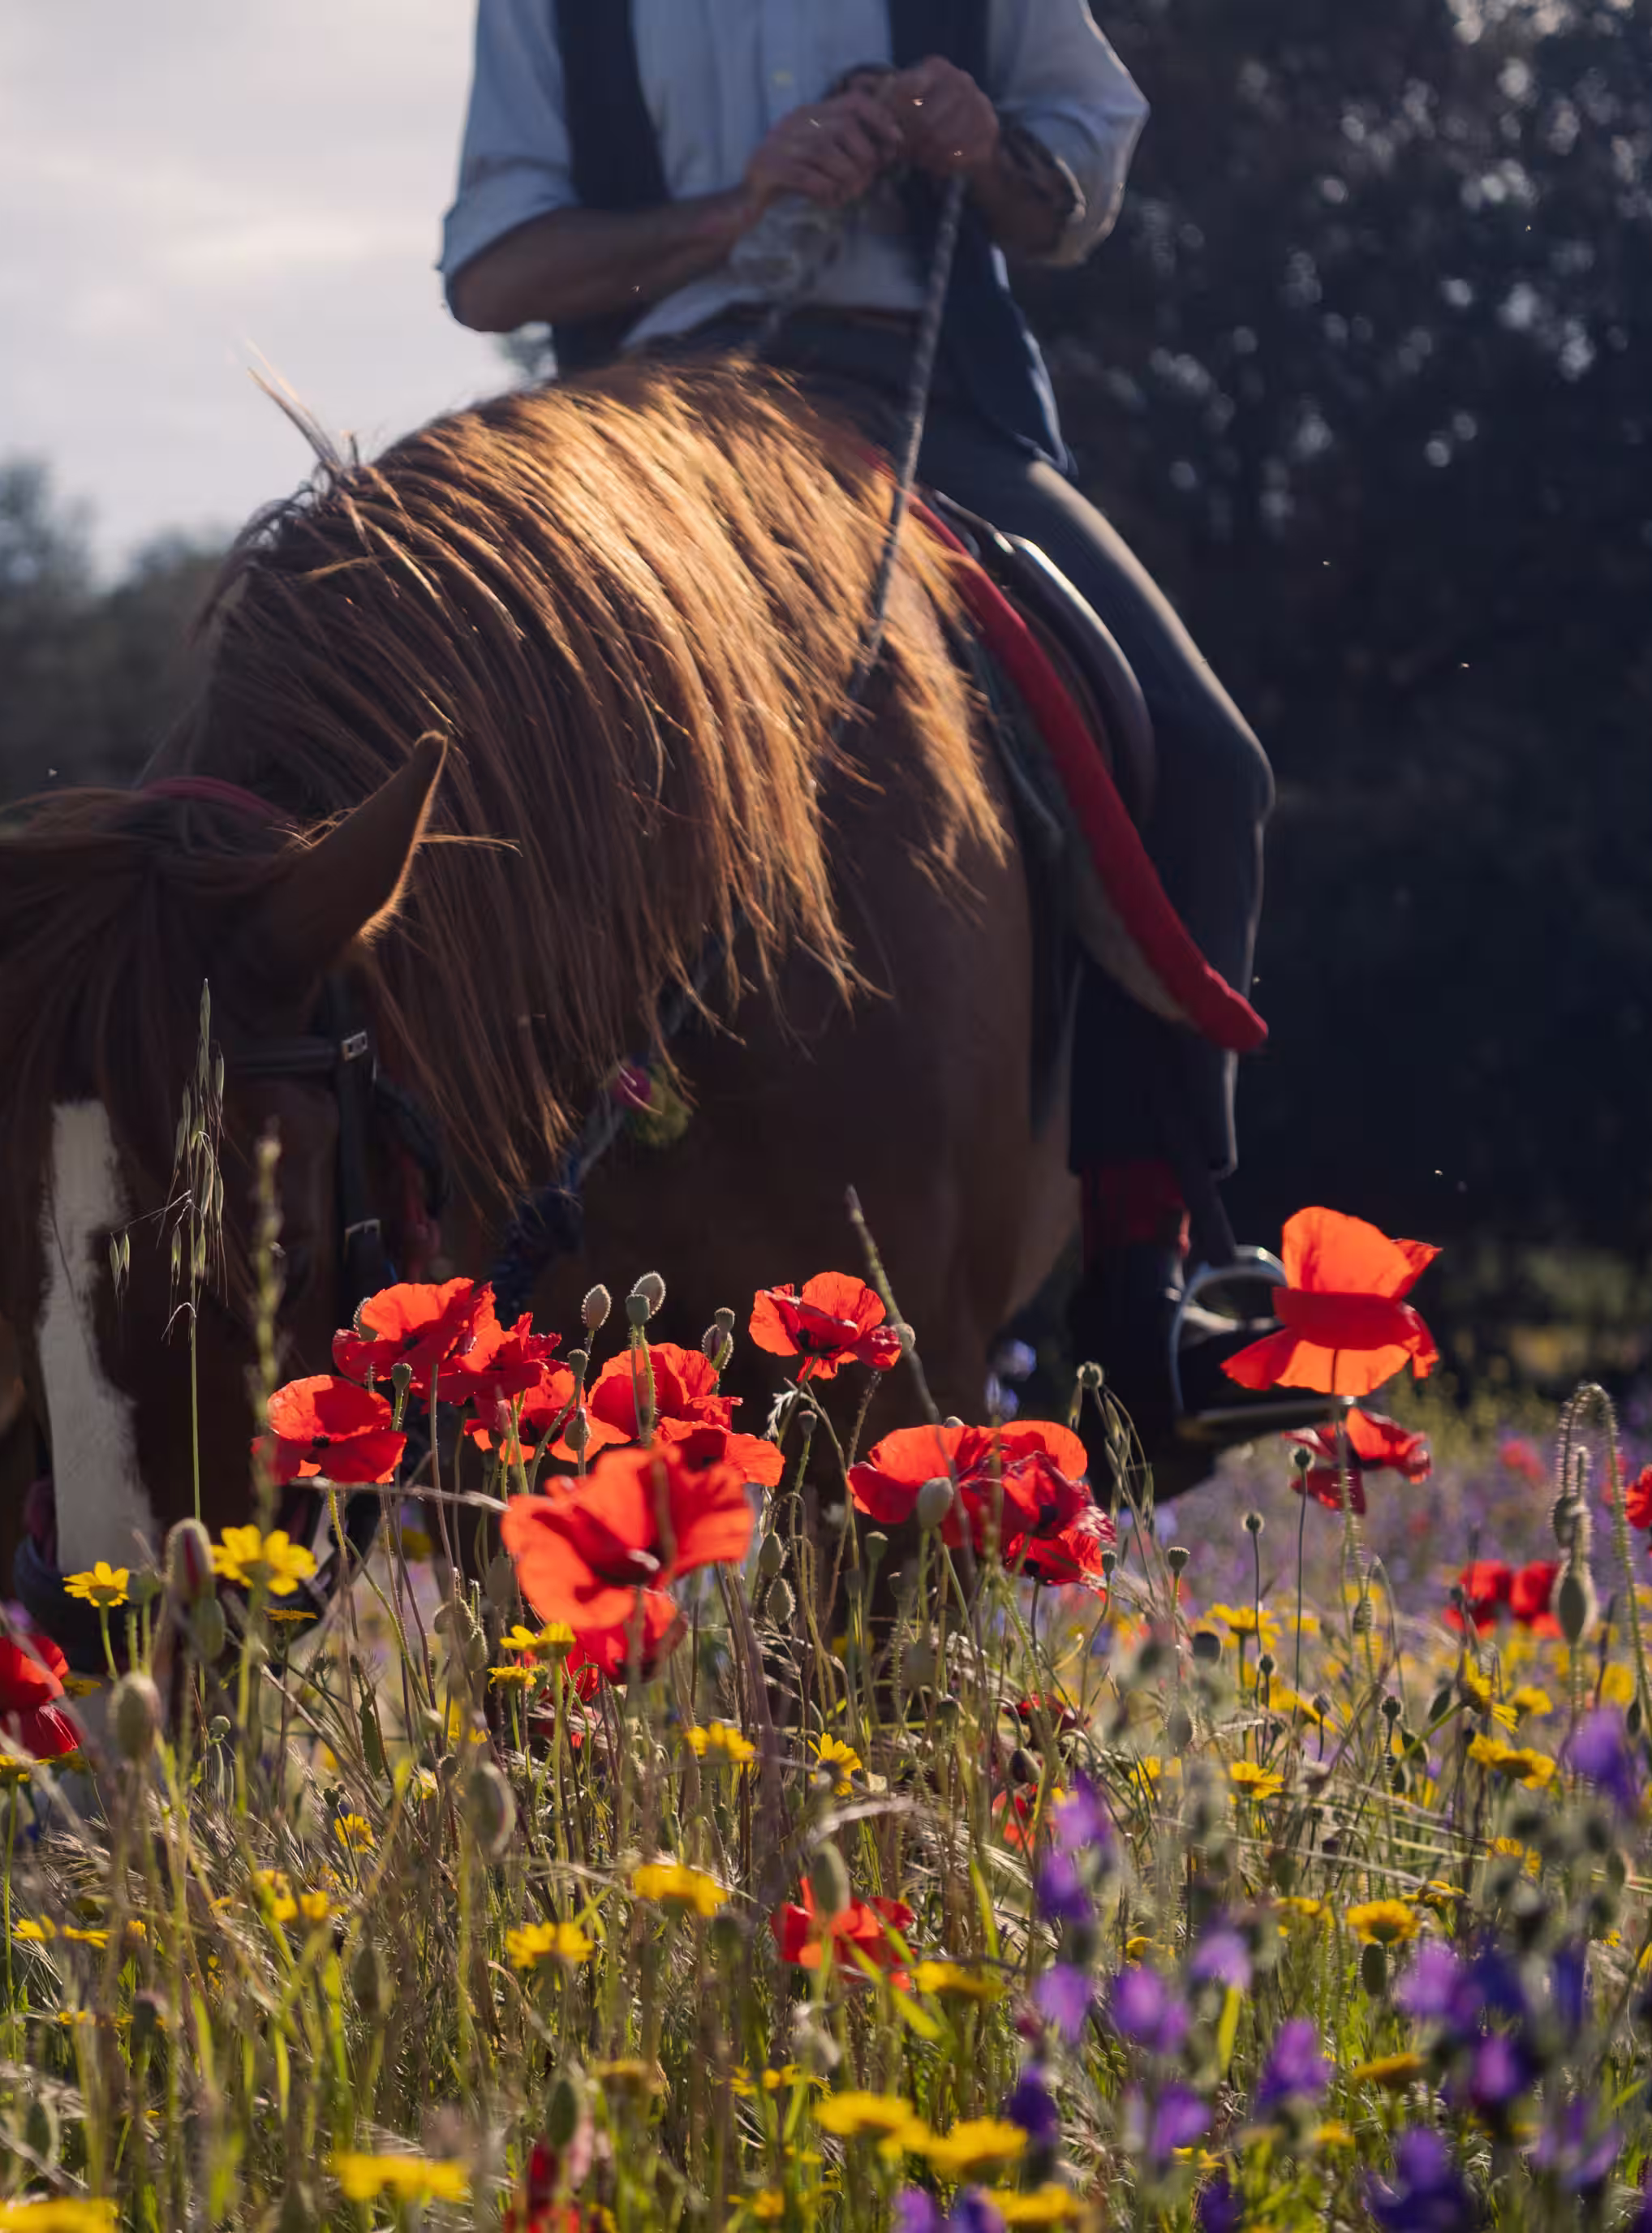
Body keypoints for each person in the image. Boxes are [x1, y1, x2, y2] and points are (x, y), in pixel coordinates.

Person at [439, 0, 1284, 1447]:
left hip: (923, 403)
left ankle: (1146, 1289)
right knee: (425, 768)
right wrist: (734, 210)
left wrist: (986, 153)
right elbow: (491, 272)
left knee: (1205, 764)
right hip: (641, 432)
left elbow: (1075, 170)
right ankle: (402, 1265)